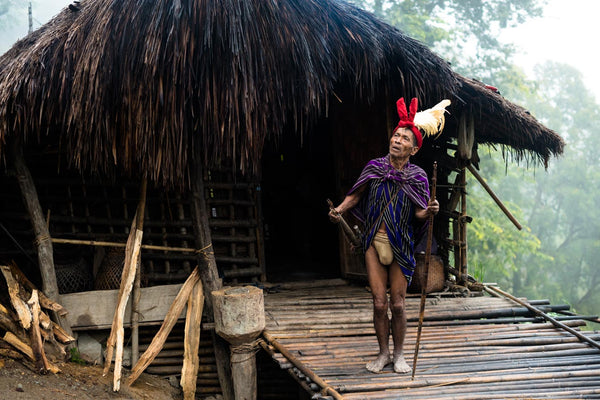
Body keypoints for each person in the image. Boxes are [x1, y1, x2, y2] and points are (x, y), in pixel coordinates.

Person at [329, 97, 449, 374]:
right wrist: (339, 209)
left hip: (401, 244)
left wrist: (431, 210)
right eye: (396, 135)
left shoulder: (418, 177)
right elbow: (356, 194)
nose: (397, 140)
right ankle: (382, 353)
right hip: (374, 241)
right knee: (379, 302)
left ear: (414, 148)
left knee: (397, 303)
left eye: (404, 138)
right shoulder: (374, 167)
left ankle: (399, 355)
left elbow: (419, 214)